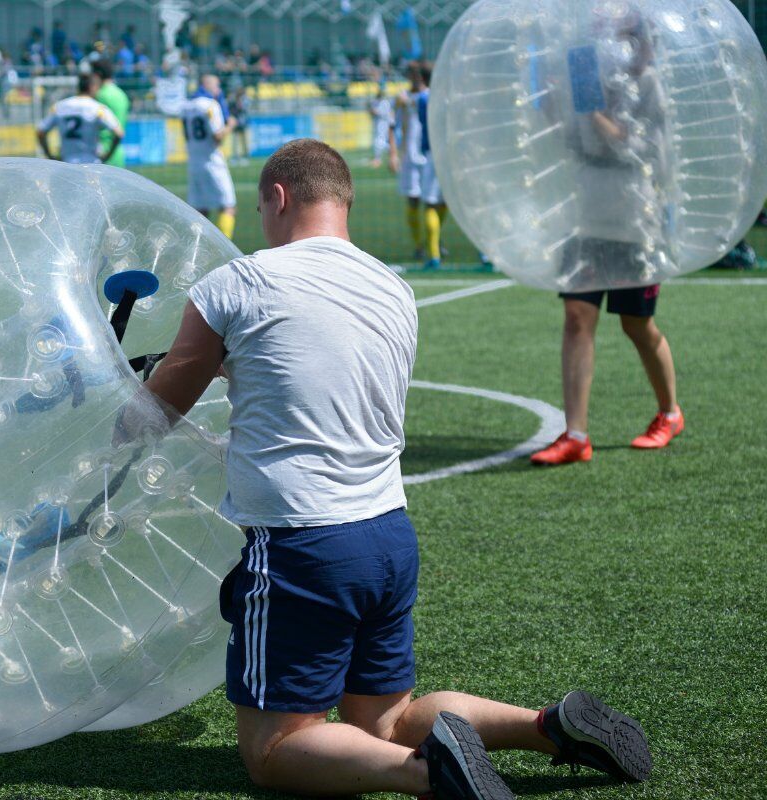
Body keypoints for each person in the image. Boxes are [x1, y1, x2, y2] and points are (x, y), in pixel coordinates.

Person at [122, 138, 652, 798]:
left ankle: (428, 773)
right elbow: (314, 369)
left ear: (279, 198)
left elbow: (151, 416)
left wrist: (105, 394)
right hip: (388, 538)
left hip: (302, 546)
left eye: (262, 208)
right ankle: (547, 725)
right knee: (389, 720)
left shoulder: (236, 283)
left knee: (275, 748)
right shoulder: (392, 289)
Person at [531, 4, 682, 465]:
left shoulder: (652, 85)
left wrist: (590, 109)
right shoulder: (589, 78)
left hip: (634, 216)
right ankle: (575, 433)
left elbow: (628, 142)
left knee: (637, 324)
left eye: (628, 37)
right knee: (578, 316)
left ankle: (670, 412)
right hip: (587, 212)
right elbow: (571, 138)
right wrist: (559, 101)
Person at [389, 61, 447, 270]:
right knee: (416, 201)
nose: (413, 77)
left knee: (437, 203)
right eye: (409, 73)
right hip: (412, 157)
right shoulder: (402, 98)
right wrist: (393, 153)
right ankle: (421, 245)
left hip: (431, 155)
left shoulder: (426, 97)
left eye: (415, 73)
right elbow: (391, 124)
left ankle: (434, 244)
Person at [179, 74, 238, 239]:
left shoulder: (185, 106)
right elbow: (217, 136)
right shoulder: (210, 105)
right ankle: (225, 246)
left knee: (200, 212)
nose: (219, 90)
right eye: (217, 86)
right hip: (212, 162)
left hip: (194, 163)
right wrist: (231, 126)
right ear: (208, 86)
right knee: (228, 206)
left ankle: (197, 248)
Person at [36, 72, 123, 165]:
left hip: (66, 163)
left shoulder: (59, 107)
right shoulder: (98, 108)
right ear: (92, 87)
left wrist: (49, 155)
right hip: (91, 164)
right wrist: (107, 156)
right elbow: (119, 133)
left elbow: (40, 132)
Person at [93, 60, 130, 168]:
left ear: (97, 75)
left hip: (102, 152)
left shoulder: (100, 95)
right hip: (117, 152)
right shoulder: (121, 94)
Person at [370, 84, 394, 169]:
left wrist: (374, 111)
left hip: (383, 124)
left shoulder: (385, 102)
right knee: (378, 140)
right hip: (377, 123)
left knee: (379, 141)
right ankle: (387, 155)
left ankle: (378, 159)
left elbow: (382, 113)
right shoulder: (376, 101)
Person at [229, 86, 250, 166]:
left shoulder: (245, 99)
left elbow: (243, 109)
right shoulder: (233, 99)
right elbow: (230, 108)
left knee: (244, 141)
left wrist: (239, 101)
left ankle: (245, 156)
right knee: (235, 141)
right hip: (236, 122)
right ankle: (235, 157)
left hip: (243, 122)